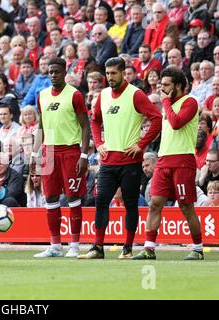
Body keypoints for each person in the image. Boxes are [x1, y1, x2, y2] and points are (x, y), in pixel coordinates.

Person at [79, 57, 162, 259]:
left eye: (114, 73)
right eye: (107, 74)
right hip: (107, 161)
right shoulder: (103, 95)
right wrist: (99, 144)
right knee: (101, 201)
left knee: (130, 204)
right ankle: (97, 248)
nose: (110, 77)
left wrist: (141, 145)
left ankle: (127, 247)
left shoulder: (135, 94)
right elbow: (95, 121)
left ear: (123, 73)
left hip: (130, 161)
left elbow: (157, 119)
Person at [133, 67, 204, 261]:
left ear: (178, 85)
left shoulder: (190, 102)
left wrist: (165, 102)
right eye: (160, 85)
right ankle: (149, 248)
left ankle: (197, 249)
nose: (161, 88)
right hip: (164, 160)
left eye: (166, 85)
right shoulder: (168, 105)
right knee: (155, 203)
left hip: (183, 160)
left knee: (186, 206)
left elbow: (176, 123)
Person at [30, 57, 91, 258]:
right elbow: (41, 126)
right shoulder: (42, 95)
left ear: (64, 72)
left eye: (57, 72)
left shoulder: (75, 95)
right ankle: (55, 245)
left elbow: (85, 125)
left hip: (70, 151)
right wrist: (34, 153)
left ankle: (74, 245)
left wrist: (83, 154)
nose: (53, 75)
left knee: (73, 198)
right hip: (49, 152)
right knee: (51, 198)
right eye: (50, 72)